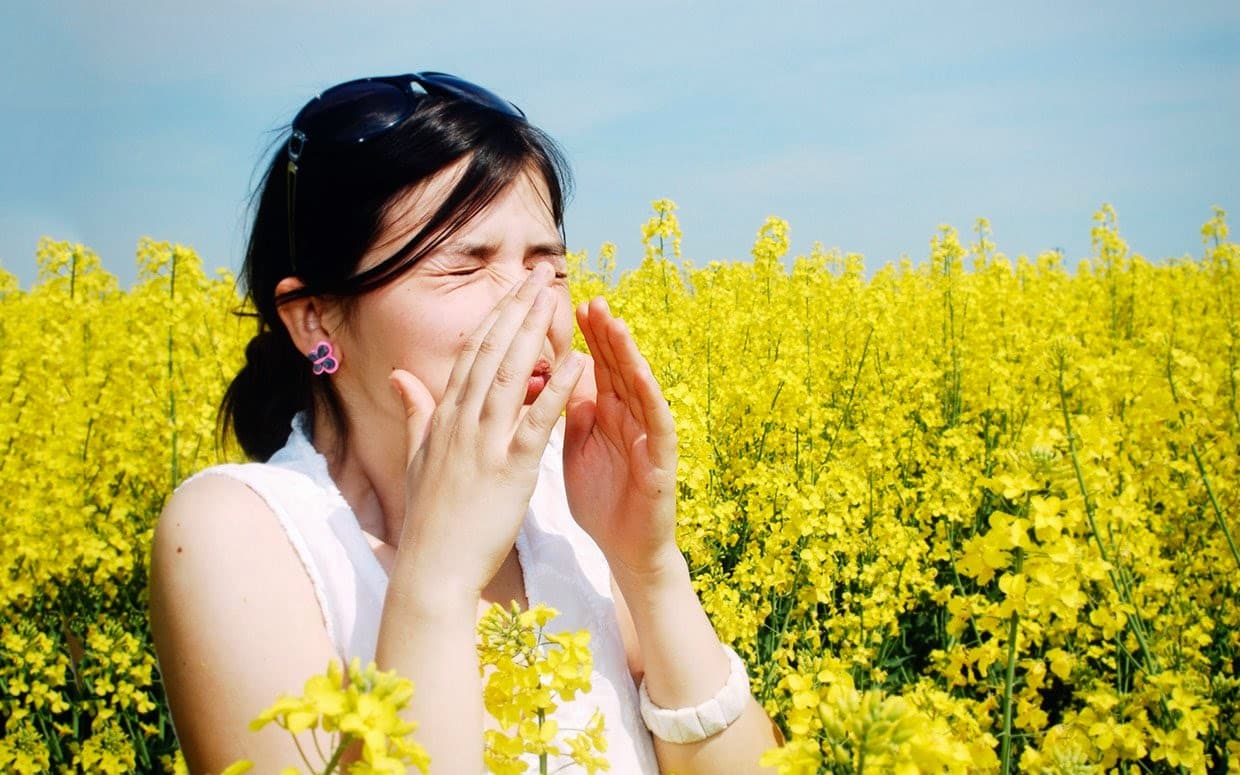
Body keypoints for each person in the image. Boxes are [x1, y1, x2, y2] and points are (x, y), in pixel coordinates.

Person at [149, 71, 778, 774]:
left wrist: (649, 567)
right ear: (315, 320)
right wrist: (438, 575)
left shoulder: (562, 509)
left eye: (550, 266)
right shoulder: (236, 531)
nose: (532, 306)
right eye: (463, 267)